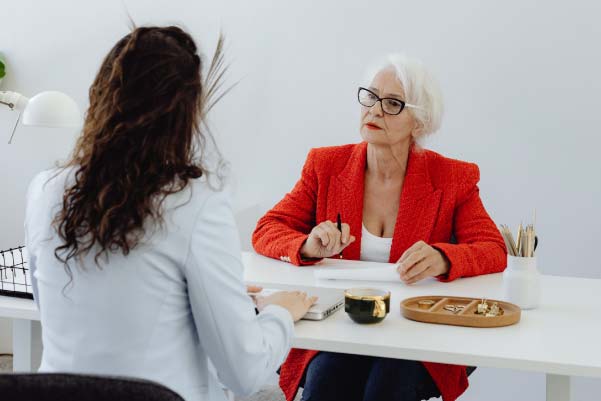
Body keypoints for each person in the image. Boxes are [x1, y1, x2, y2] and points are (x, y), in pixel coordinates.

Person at [24, 26, 316, 401]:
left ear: (100, 96)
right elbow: (245, 371)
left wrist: (202, 298)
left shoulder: (45, 189)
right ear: (185, 113)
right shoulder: (195, 200)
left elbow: (65, 308)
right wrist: (280, 314)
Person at [252, 53, 507, 401]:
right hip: (342, 327)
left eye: (392, 104)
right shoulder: (325, 165)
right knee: (327, 380)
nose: (374, 110)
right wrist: (307, 245)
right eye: (370, 97)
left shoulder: (452, 178)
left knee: (387, 385)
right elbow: (268, 228)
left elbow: (492, 248)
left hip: (415, 334)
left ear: (419, 122)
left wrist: (444, 258)